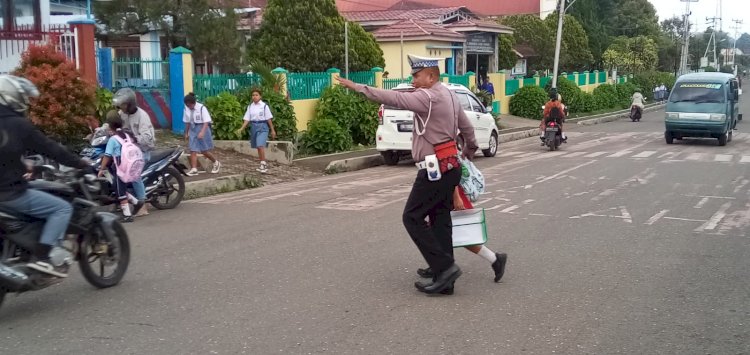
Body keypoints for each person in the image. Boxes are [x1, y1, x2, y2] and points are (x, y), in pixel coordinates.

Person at [337, 55, 479, 295]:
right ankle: (445, 279)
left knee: (412, 217)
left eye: (416, 75)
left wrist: (358, 87)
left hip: (434, 170)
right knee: (440, 220)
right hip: (450, 166)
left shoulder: (428, 96)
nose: (412, 79)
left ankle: (445, 267)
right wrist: (467, 153)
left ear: (431, 76)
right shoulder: (450, 95)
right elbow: (467, 130)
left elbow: (393, 97)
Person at [0, 74, 92, 278]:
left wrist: (22, 163)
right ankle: (43, 257)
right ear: (10, 97)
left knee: (36, 189)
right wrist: (79, 163)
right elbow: (50, 148)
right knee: (61, 208)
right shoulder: (17, 124)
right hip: (10, 193)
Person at [417, 185, 507, 287]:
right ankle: (438, 266)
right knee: (441, 232)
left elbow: (451, 172)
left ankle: (494, 259)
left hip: (450, 193)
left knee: (458, 235)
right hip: (444, 192)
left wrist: (456, 196)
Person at [98, 112, 145, 223]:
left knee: (120, 192)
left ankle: (127, 215)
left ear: (110, 125)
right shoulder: (127, 135)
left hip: (120, 169)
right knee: (119, 188)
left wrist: (101, 169)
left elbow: (107, 156)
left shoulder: (113, 139)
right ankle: (136, 202)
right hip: (130, 167)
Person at [113, 88, 152, 216]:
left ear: (130, 104)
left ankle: (143, 205)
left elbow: (147, 138)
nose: (121, 107)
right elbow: (112, 124)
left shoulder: (142, 116)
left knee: (134, 175)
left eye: (123, 104)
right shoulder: (122, 114)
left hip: (142, 151)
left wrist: (134, 138)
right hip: (128, 152)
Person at [236, 88, 276, 173]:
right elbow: (247, 119)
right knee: (257, 146)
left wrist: (272, 130)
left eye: (256, 95)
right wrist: (242, 128)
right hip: (254, 126)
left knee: (260, 144)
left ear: (260, 96)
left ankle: (263, 163)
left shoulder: (264, 106)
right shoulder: (250, 106)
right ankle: (262, 163)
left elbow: (269, 119)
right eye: (253, 95)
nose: (254, 97)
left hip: (263, 126)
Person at [183, 93, 221, 176]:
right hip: (193, 128)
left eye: (190, 105)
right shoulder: (186, 109)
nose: (189, 107)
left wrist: (202, 132)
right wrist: (186, 132)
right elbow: (187, 122)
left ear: (194, 103)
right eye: (187, 105)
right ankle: (194, 169)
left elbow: (206, 121)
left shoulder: (201, 108)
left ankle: (216, 162)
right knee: (193, 149)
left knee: (204, 151)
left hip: (202, 127)